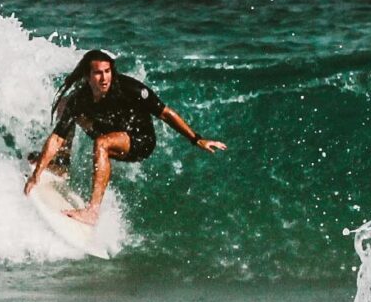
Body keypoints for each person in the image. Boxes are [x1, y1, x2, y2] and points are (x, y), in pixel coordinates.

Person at [23, 48, 225, 225]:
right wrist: (36, 174)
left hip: (140, 140)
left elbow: (166, 113)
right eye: (98, 73)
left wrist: (196, 139)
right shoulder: (81, 97)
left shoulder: (131, 89)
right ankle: (60, 165)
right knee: (66, 106)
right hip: (109, 130)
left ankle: (92, 211)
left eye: (107, 72)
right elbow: (58, 137)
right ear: (87, 76)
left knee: (102, 143)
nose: (104, 78)